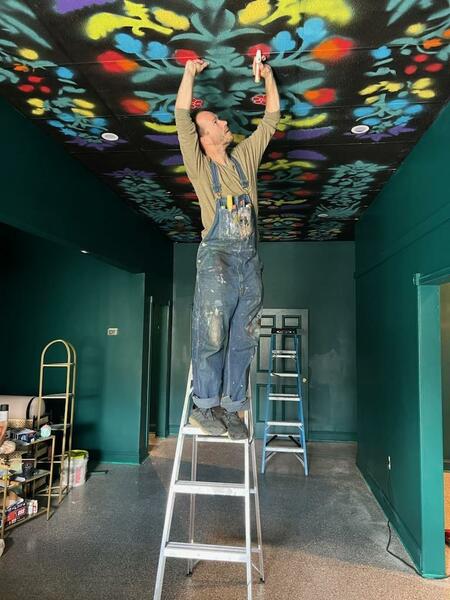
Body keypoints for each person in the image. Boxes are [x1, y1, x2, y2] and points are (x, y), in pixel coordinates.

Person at [175, 54, 280, 439]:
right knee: (212, 334)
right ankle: (205, 406)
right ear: (206, 139)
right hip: (217, 256)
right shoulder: (201, 168)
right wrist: (189, 73)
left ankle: (233, 408)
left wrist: (267, 77)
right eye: (216, 122)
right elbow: (182, 119)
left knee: (244, 336)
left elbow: (271, 119)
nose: (223, 122)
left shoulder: (244, 160)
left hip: (249, 259)